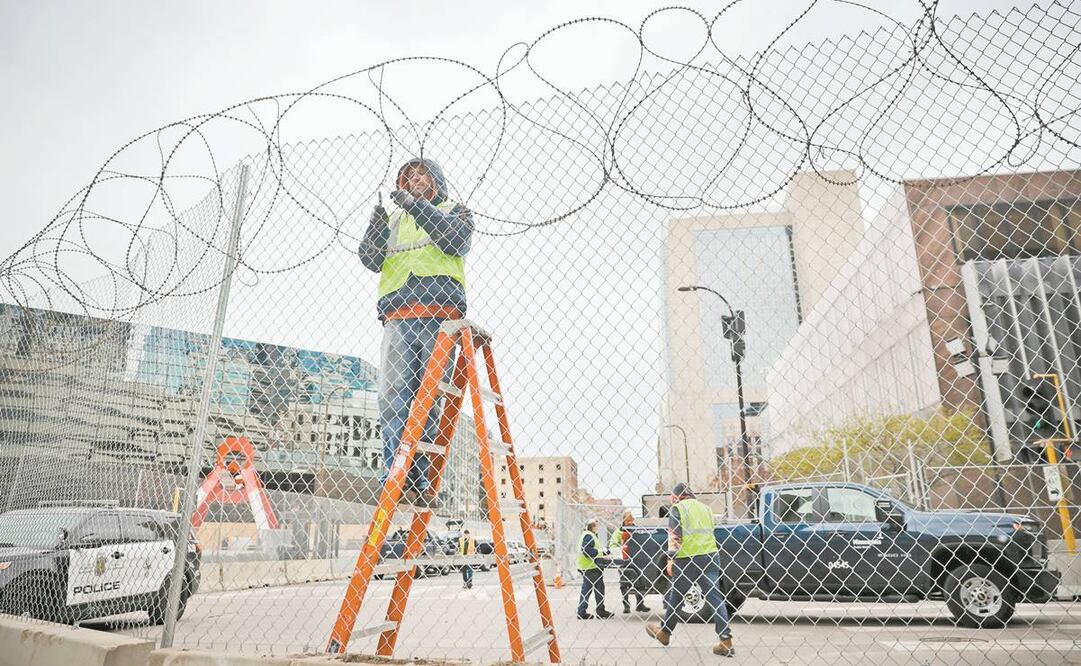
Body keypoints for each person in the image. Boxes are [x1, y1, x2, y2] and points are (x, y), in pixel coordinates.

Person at [358, 158, 474, 507]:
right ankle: (396, 475)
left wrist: (416, 206)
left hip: (439, 315)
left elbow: (454, 241)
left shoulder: (456, 211)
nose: (415, 179)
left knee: (428, 399)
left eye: (422, 174)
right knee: (392, 398)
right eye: (409, 176)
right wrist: (375, 227)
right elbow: (371, 260)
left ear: (436, 179)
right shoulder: (395, 220)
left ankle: (421, 479)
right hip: (398, 314)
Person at [646, 482, 735, 657]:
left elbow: (675, 536)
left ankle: (665, 633)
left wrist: (671, 558)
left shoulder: (678, 508)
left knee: (676, 597)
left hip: (687, 558)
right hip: (710, 556)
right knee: (715, 598)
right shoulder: (706, 508)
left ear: (676, 496)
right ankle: (726, 640)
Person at [608, 510, 649, 614]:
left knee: (639, 582)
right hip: (624, 561)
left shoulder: (637, 530)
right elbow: (612, 545)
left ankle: (640, 604)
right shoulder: (618, 532)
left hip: (637, 560)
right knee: (624, 583)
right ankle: (626, 605)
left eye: (631, 520)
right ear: (624, 520)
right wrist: (621, 547)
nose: (630, 522)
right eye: (628, 520)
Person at [576, 518, 613, 620]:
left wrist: (603, 552)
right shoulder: (589, 536)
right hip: (590, 567)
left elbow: (591, 550)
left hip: (591, 567)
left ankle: (597, 610)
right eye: (596, 525)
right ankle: (583, 612)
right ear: (592, 526)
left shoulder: (587, 535)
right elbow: (587, 551)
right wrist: (601, 551)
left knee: (597, 588)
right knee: (590, 589)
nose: (597, 528)